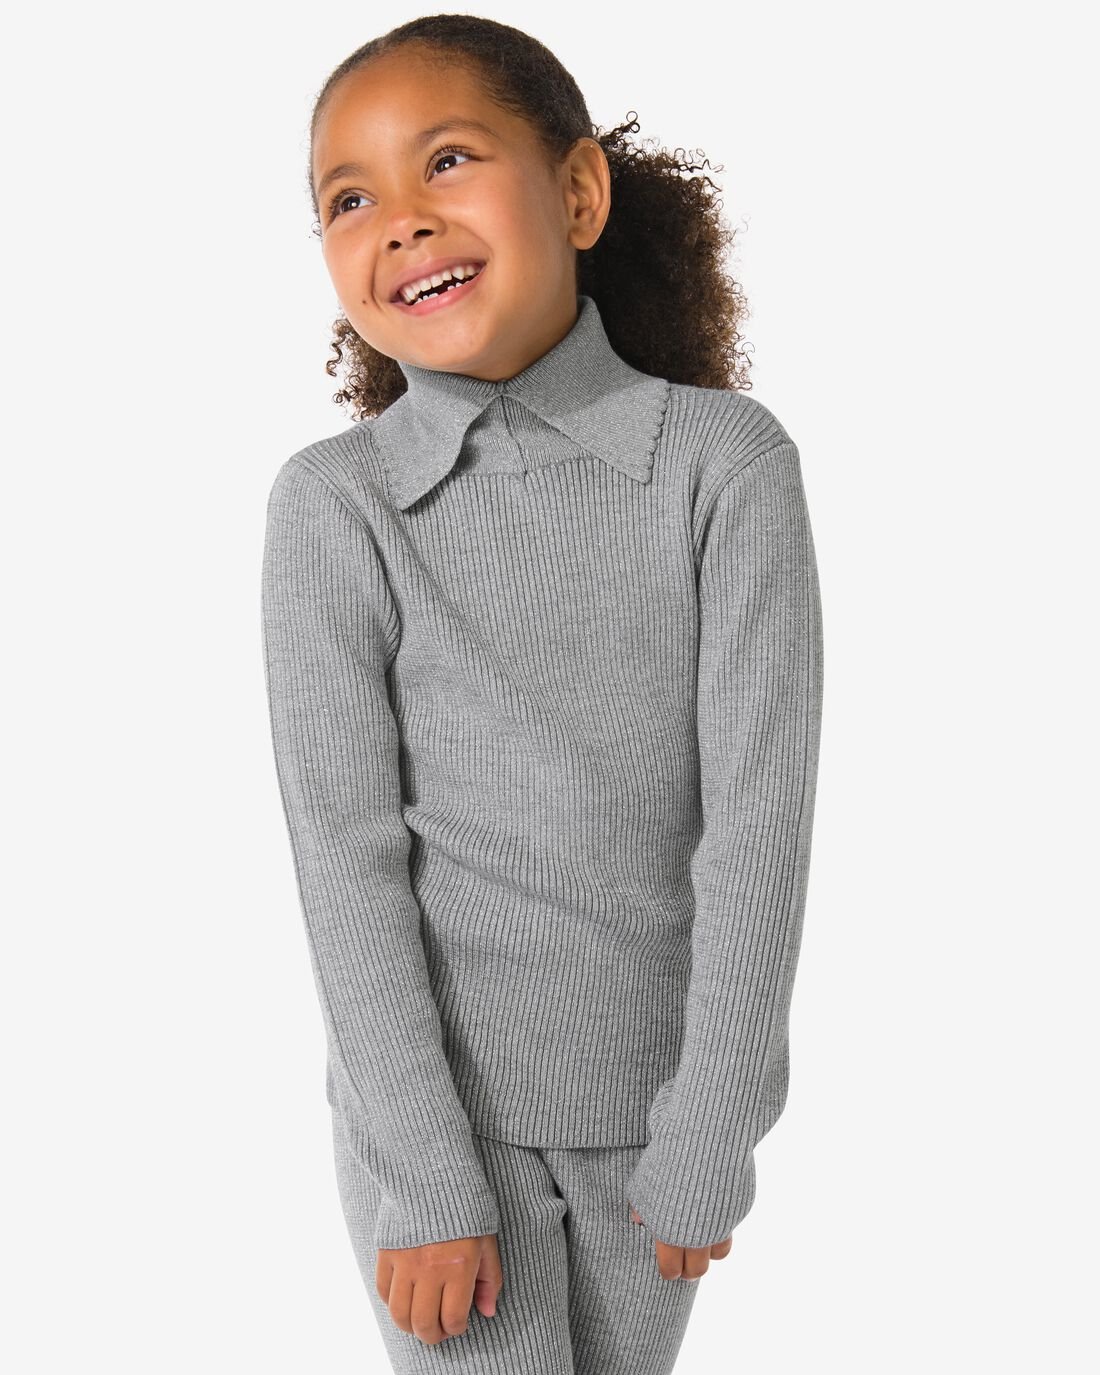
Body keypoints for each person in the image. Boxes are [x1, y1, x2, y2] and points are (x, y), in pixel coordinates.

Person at [260, 13, 824, 1374]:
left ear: (577, 193)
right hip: (439, 1136)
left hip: (656, 1123)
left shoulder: (725, 467)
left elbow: (760, 820)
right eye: (348, 199)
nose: (400, 219)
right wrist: (425, 1178)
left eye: (446, 161)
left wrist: (714, 1125)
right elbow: (344, 862)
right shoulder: (337, 506)